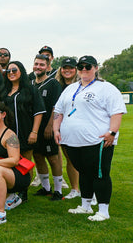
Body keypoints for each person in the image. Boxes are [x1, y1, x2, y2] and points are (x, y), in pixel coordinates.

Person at [54, 55, 126, 221]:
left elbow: (117, 111)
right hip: (72, 141)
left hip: (98, 140)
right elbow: (58, 111)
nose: (84, 70)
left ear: (96, 68)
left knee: (100, 174)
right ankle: (85, 205)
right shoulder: (71, 88)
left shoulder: (106, 88)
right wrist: (56, 129)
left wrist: (112, 132)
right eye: (81, 67)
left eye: (88, 66)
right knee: (84, 173)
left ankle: (103, 210)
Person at [1, 61, 45, 202]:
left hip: (26, 132)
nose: (11, 73)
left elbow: (38, 112)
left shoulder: (30, 89)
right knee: (10, 162)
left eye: (14, 70)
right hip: (9, 135)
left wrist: (34, 132)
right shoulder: (4, 91)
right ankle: (9, 190)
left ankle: (23, 191)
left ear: (21, 71)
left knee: (25, 163)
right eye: (8, 71)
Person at [31, 54, 64, 201]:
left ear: (48, 67)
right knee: (38, 157)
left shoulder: (53, 83)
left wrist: (51, 125)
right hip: (34, 127)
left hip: (47, 127)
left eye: (42, 65)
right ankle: (46, 188)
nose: (38, 67)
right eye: (36, 64)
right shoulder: (31, 83)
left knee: (53, 158)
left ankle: (58, 190)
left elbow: (56, 107)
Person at [55, 57, 80, 199]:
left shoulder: (81, 85)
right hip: (63, 127)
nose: (67, 70)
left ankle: (90, 191)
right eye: (65, 68)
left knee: (83, 160)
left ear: (75, 70)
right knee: (70, 159)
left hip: (79, 127)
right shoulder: (57, 86)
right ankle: (75, 189)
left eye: (71, 68)